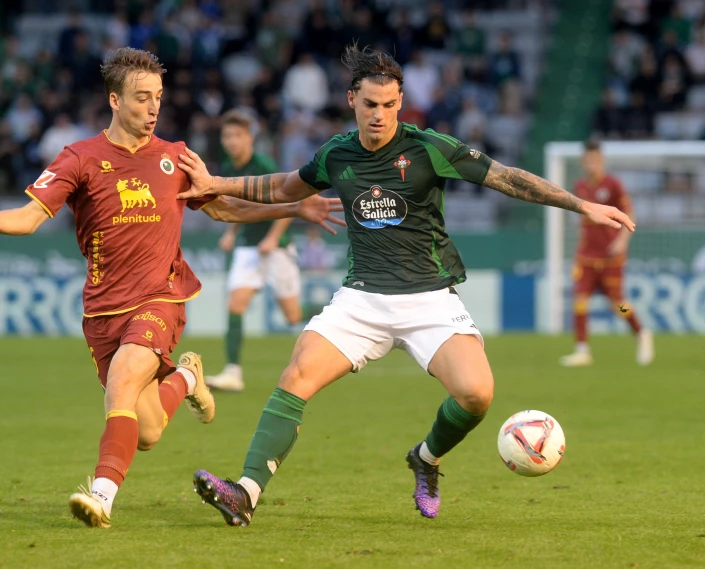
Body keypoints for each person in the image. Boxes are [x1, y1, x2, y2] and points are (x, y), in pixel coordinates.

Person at [176, 45, 634, 527]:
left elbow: (507, 179)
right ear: (352, 99)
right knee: (296, 376)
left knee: (477, 395)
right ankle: (245, 493)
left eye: (390, 105)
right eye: (370, 104)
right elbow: (286, 187)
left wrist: (581, 206)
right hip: (362, 299)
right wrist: (218, 183)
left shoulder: (428, 147)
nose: (380, 115)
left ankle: (426, 459)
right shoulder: (337, 153)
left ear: (401, 102)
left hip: (429, 300)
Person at [0, 47, 344, 529]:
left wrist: (292, 208)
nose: (153, 108)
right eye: (141, 98)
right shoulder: (80, 158)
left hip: (161, 298)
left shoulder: (176, 157)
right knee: (149, 429)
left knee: (121, 385)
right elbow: (31, 217)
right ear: (114, 100)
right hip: (102, 312)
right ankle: (189, 378)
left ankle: (100, 496)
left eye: (158, 97)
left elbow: (220, 208)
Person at [206, 110, 302, 392]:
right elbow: (237, 207)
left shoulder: (263, 164)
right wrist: (231, 232)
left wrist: (272, 238)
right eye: (227, 136)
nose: (232, 141)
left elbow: (288, 204)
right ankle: (233, 373)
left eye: (237, 135)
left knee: (293, 316)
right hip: (248, 247)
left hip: (277, 249)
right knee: (235, 305)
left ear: (249, 138)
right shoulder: (228, 167)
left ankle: (336, 308)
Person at [560, 140, 653, 367]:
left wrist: (621, 241)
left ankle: (641, 333)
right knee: (580, 301)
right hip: (586, 257)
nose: (593, 163)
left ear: (602, 160)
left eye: (596, 159)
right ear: (584, 161)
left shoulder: (613, 185)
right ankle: (582, 350)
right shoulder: (580, 186)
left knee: (618, 305)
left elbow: (629, 213)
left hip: (611, 258)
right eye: (589, 159)